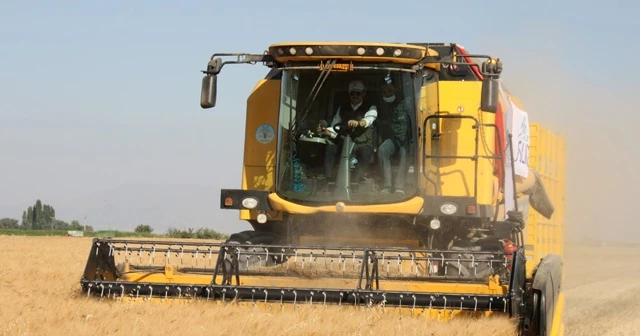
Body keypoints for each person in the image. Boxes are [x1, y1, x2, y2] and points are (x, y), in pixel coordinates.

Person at [320, 80, 377, 183]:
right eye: (352, 93)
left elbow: (369, 119)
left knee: (366, 155)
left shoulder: (371, 107)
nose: (355, 96)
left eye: (358, 93)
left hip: (362, 144)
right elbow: (334, 126)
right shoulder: (342, 108)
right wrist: (325, 130)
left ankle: (354, 182)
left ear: (363, 94)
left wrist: (359, 123)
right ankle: (330, 179)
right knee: (331, 149)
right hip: (344, 142)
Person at [376, 79, 412, 194]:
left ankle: (399, 187)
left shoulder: (406, 102)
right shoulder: (382, 105)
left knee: (404, 153)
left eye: (390, 90)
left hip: (407, 140)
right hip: (394, 139)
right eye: (385, 91)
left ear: (396, 90)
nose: (388, 93)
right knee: (382, 150)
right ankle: (387, 185)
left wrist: (409, 141)